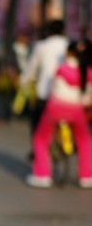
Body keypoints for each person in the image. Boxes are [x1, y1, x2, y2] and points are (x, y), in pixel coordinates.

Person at [26, 40, 92, 188]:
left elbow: (53, 90)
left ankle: (42, 176)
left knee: (41, 139)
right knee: (84, 140)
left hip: (55, 110)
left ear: (69, 53)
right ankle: (86, 176)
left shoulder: (62, 69)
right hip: (77, 112)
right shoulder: (87, 72)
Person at [21, 19, 68, 148]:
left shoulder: (41, 46)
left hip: (45, 93)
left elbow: (31, 69)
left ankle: (36, 150)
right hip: (68, 95)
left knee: (37, 124)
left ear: (48, 31)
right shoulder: (69, 45)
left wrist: (24, 81)